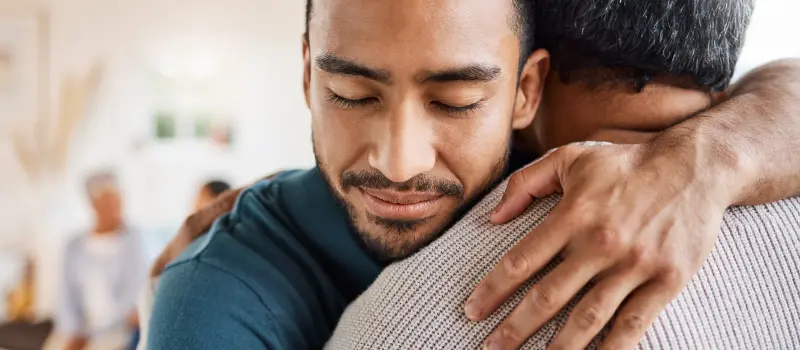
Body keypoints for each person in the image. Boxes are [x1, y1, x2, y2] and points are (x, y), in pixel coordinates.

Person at [147, 0, 800, 349]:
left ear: (527, 90)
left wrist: (703, 162)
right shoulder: (217, 301)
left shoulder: (561, 158)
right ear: (307, 73)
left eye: (457, 101)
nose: (399, 163)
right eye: (350, 92)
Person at [56, 171, 147, 350]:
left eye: (117, 198)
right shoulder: (74, 246)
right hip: (81, 333)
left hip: (119, 332)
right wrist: (74, 331)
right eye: (108, 200)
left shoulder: (133, 239)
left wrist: (96, 333)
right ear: (93, 203)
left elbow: (134, 294)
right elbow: (66, 297)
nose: (115, 206)